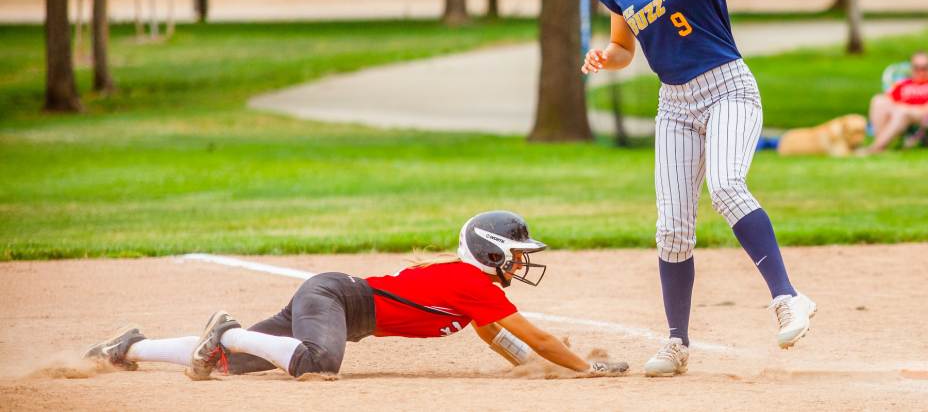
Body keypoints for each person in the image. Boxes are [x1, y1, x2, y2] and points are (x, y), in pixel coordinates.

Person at [582, 0, 816, 377]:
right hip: (675, 105)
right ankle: (676, 343)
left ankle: (788, 298)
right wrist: (606, 57)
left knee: (727, 186)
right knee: (671, 228)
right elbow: (624, 47)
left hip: (728, 86)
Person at [83, 211, 628, 380]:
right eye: (514, 252)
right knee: (320, 363)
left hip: (332, 301)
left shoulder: (474, 295)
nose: (521, 261)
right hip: (337, 301)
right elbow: (533, 333)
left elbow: (500, 338)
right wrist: (582, 368)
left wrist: (530, 368)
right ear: (489, 254)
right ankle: (224, 331)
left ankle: (129, 348)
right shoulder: (472, 283)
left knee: (234, 365)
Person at [865, 50, 928, 153]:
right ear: (911, 68)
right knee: (878, 101)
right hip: (899, 111)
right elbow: (888, 100)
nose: (921, 71)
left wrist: (922, 109)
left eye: (925, 68)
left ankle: (874, 148)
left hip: (924, 114)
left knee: (902, 111)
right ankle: (880, 146)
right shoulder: (903, 84)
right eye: (917, 68)